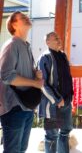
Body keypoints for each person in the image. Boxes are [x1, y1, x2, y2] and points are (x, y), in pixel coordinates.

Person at [0, 11, 44, 153]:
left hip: (26, 107)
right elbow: (6, 76)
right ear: (14, 24)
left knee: (21, 149)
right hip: (13, 107)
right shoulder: (12, 44)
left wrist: (35, 75)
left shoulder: (26, 46)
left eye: (26, 16)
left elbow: (23, 75)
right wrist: (34, 83)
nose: (27, 17)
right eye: (22, 17)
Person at [38, 31, 73, 153]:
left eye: (59, 37)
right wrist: (58, 99)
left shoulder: (63, 55)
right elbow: (42, 83)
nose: (59, 40)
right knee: (52, 136)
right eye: (55, 38)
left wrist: (68, 98)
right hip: (52, 105)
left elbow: (67, 78)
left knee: (65, 133)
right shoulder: (45, 57)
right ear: (47, 42)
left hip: (66, 103)